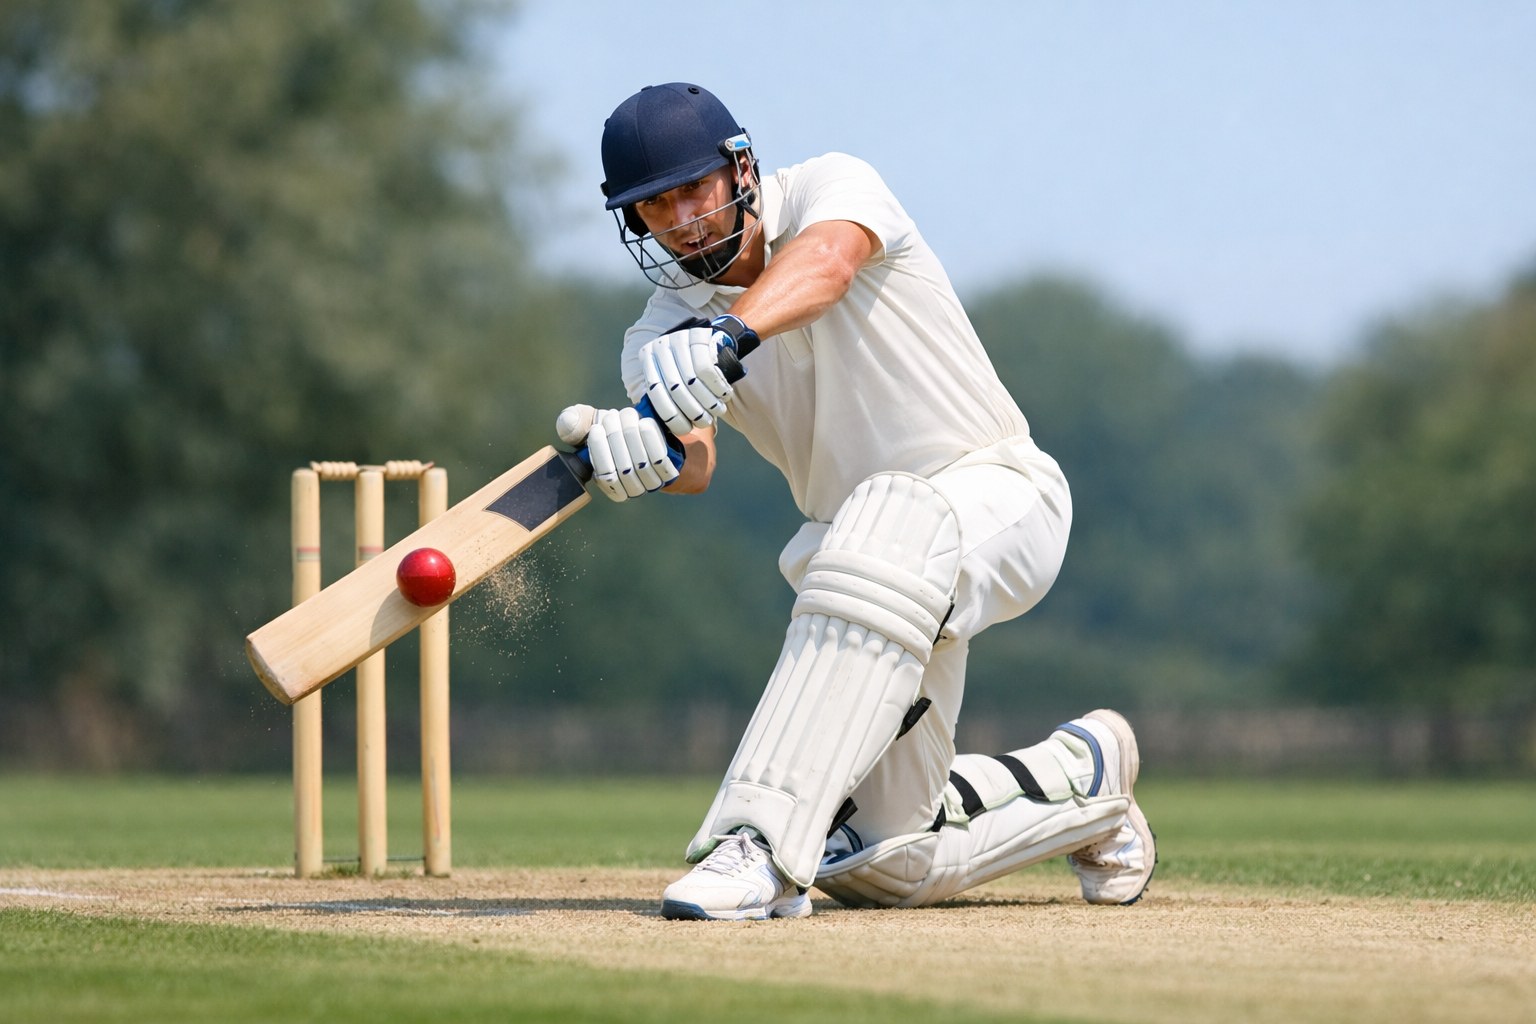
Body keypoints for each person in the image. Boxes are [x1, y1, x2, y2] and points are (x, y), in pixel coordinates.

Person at [555, 82, 1156, 921]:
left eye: (693, 190)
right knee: (884, 864)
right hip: (863, 591)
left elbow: (828, 266)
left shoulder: (832, 187)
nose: (682, 219)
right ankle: (1082, 779)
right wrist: (638, 455)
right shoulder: (655, 338)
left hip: (996, 496)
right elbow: (694, 459)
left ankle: (757, 843)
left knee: (884, 526)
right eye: (654, 206)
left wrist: (727, 337)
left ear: (739, 170)